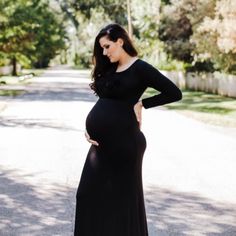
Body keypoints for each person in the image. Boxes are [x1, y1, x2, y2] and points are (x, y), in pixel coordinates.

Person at [74, 23, 182, 236]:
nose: (104, 52)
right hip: (101, 145)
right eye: (102, 48)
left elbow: (174, 92)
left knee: (122, 204)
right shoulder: (110, 68)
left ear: (120, 42)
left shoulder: (140, 68)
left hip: (126, 144)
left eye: (107, 46)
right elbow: (105, 103)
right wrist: (92, 129)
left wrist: (142, 104)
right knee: (86, 195)